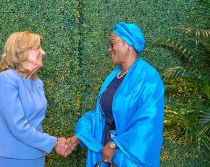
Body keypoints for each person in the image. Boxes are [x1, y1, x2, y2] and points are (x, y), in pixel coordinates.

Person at [65, 22, 165, 167]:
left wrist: (114, 145)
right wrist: (79, 136)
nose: (109, 49)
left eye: (113, 44)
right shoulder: (114, 76)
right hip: (104, 152)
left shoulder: (149, 77)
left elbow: (148, 122)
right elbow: (102, 115)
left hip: (129, 157)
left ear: (128, 44)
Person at [0, 31, 67, 167]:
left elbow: (35, 124)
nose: (43, 52)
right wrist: (54, 142)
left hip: (35, 155)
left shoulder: (38, 83)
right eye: (38, 48)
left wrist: (54, 142)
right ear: (20, 51)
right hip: (9, 156)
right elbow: (18, 127)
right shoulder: (7, 78)